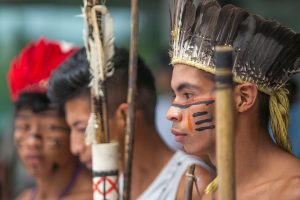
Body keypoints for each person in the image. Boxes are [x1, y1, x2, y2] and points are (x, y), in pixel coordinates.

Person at [167, 0, 300, 199]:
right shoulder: (210, 195)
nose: (171, 113)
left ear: (243, 98)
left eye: (188, 95)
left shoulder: (292, 191)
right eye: (175, 95)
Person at [47, 47, 215, 199]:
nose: (75, 147)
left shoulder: (193, 186)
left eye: (83, 129)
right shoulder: (104, 188)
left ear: (124, 116)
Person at [7, 38, 93, 200]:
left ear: (75, 131)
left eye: (50, 127)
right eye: (23, 126)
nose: (32, 141)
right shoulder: (23, 197)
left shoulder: (100, 196)